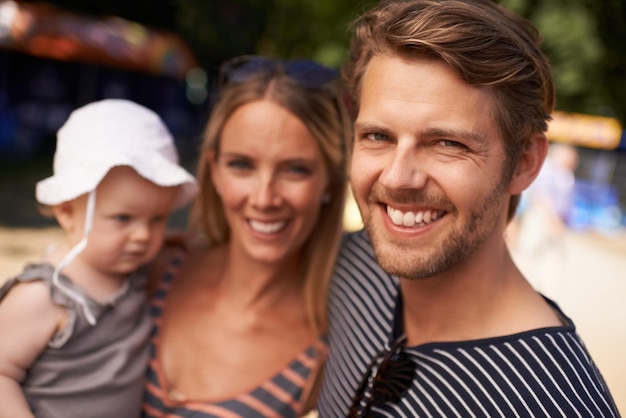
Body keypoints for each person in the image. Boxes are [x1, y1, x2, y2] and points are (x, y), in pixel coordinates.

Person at [317, 1, 619, 417]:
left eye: (448, 143)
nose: (397, 178)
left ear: (525, 162)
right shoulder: (351, 268)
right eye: (378, 136)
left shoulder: (553, 403)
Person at [141, 56, 351, 417]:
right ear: (215, 171)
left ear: (329, 183)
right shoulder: (155, 269)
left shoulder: (330, 350)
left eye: (295, 169)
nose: (264, 198)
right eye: (242, 165)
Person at [0, 99, 198, 418]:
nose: (143, 235)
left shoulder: (135, 271)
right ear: (66, 211)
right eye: (123, 218)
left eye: (157, 219)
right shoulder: (43, 296)